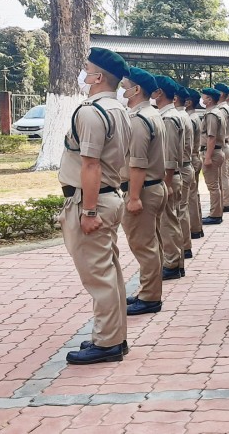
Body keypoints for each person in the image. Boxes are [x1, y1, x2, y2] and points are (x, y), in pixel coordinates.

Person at [60, 47, 132, 364]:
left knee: (99, 276)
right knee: (109, 272)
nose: (83, 74)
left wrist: (87, 212)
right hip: (108, 197)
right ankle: (113, 337)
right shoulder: (119, 111)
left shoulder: (90, 112)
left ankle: (107, 343)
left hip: (92, 201)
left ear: (98, 77)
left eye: (86, 68)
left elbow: (91, 165)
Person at [119, 67, 168, 316]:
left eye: (124, 85)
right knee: (152, 244)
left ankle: (150, 297)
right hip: (153, 187)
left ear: (136, 89)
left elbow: (137, 162)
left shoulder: (139, 119)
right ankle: (148, 290)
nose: (121, 89)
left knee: (144, 245)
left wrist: (134, 197)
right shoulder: (152, 113)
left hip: (144, 190)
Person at [154, 76, 186, 280]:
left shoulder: (168, 118)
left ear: (159, 93)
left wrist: (166, 182)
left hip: (168, 177)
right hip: (170, 176)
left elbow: (169, 154)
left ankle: (173, 263)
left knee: (168, 221)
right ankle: (175, 262)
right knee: (170, 219)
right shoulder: (170, 115)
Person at [200, 87, 227, 225]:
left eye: (204, 97)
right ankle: (217, 211)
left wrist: (208, 157)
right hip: (217, 151)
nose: (202, 99)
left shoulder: (211, 115)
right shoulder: (218, 112)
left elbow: (211, 137)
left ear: (209, 99)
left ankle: (215, 214)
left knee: (213, 186)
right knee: (217, 184)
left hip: (212, 152)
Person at [175, 86, 195, 260]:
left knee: (179, 211)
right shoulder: (184, 116)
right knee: (183, 209)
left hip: (181, 167)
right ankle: (185, 246)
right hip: (186, 165)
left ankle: (182, 249)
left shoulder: (177, 117)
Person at [185, 88, 204, 240]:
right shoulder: (195, 117)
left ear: (189, 102)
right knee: (193, 194)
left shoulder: (190, 119)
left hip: (190, 158)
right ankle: (196, 227)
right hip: (195, 157)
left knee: (190, 196)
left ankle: (193, 228)